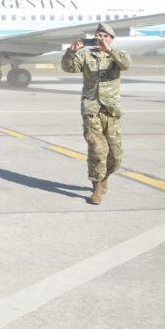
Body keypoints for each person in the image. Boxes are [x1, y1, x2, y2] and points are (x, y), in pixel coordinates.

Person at [61, 23, 131, 205]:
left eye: (104, 35)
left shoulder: (119, 55)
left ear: (111, 39)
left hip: (111, 111)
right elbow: (69, 68)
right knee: (97, 150)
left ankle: (104, 177)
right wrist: (71, 51)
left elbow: (126, 65)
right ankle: (97, 186)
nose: (100, 38)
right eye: (98, 35)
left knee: (115, 156)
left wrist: (108, 50)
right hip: (92, 110)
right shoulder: (86, 54)